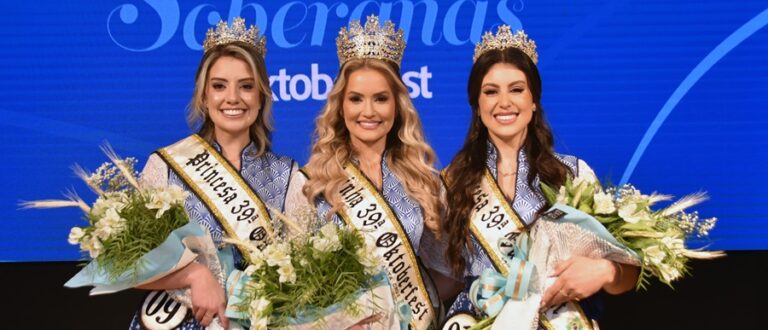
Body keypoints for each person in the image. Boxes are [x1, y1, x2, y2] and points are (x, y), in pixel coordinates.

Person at [435, 26, 640, 329]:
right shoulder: (450, 183)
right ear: (477, 106)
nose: (504, 102)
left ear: (534, 100)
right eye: (491, 91)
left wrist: (605, 270)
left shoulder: (573, 174)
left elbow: (627, 273)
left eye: (516, 89)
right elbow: (443, 279)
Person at [129, 17, 306, 330]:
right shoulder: (166, 166)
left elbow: (304, 278)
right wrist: (194, 275)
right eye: (219, 86)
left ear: (262, 95)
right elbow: (129, 266)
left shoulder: (289, 176)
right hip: (179, 321)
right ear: (203, 95)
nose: (233, 98)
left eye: (246, 86)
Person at [300, 15, 443, 330]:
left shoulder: (422, 179)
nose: (368, 112)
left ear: (397, 105)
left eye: (380, 98)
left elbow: (445, 276)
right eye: (356, 99)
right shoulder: (314, 182)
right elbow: (300, 286)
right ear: (341, 105)